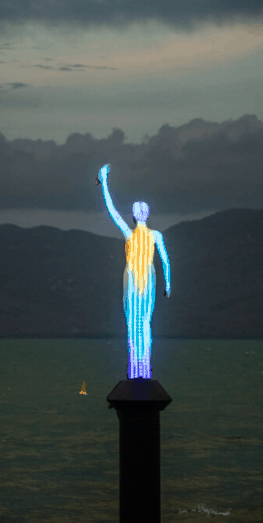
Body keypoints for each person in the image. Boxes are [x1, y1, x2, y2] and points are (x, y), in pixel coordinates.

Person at [96, 163, 171, 380]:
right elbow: (165, 261)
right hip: (148, 279)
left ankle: (135, 371)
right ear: (147, 214)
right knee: (145, 324)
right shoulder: (156, 235)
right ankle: (144, 370)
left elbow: (111, 210)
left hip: (132, 280)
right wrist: (168, 284)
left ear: (134, 215)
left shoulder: (129, 233)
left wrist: (104, 184)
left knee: (133, 325)